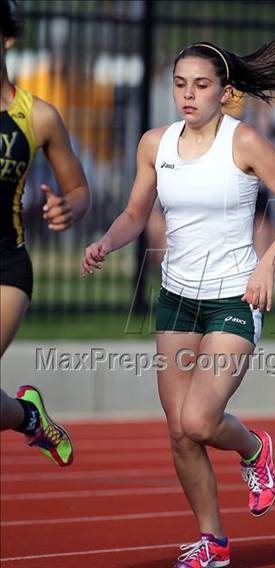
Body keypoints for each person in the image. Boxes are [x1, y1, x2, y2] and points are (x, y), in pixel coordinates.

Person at [82, 32, 275, 567]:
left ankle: (254, 449)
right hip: (177, 299)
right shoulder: (154, 144)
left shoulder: (246, 143)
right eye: (180, 84)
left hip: (234, 295)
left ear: (223, 91)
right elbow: (136, 214)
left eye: (201, 85)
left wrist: (266, 265)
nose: (188, 94)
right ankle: (212, 542)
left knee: (200, 420)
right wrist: (106, 243)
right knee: (178, 429)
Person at [0, 0, 90, 466]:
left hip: (6, 268)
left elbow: (78, 189)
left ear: (7, 38)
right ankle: (30, 418)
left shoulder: (38, 117)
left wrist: (67, 208)